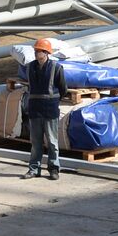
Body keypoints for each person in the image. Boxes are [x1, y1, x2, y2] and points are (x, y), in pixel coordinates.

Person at [22, 38, 67, 181]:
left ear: (46, 52)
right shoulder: (30, 67)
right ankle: (34, 169)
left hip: (50, 109)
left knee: (52, 142)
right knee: (35, 142)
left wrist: (53, 101)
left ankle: (54, 169)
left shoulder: (56, 67)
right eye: (35, 51)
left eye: (38, 51)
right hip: (35, 109)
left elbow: (63, 89)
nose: (36, 53)